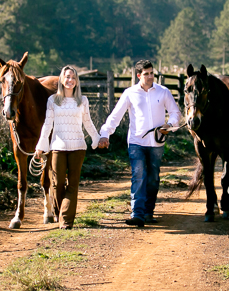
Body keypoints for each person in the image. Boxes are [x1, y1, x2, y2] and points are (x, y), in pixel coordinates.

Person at [98, 59, 181, 227]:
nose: (150, 77)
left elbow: (175, 113)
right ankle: (138, 213)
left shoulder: (163, 92)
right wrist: (105, 134)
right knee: (138, 175)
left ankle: (149, 212)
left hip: (157, 143)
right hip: (136, 142)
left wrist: (169, 125)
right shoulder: (130, 93)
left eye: (152, 73)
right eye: (146, 74)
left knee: (153, 178)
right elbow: (115, 116)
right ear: (138, 75)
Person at [35, 66, 101, 229]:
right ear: (61, 80)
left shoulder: (82, 101)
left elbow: (88, 122)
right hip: (57, 147)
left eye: (73, 77)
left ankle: (66, 221)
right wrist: (41, 145)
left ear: (76, 81)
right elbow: (47, 125)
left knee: (73, 184)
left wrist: (96, 138)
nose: (70, 80)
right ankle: (61, 213)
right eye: (67, 77)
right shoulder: (53, 101)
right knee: (57, 184)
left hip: (78, 147)